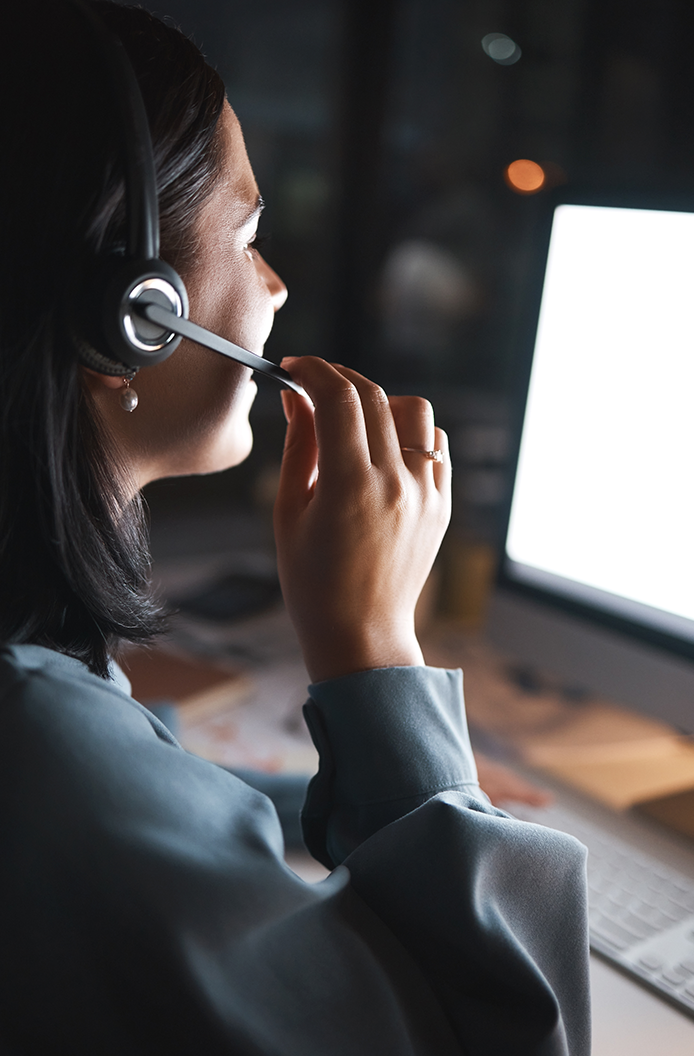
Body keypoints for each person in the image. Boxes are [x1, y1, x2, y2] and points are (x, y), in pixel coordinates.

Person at [0, 2, 590, 1053]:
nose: (275, 286)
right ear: (131, 310)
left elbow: (142, 807)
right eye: (250, 238)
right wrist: (372, 650)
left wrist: (341, 790)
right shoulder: (40, 752)